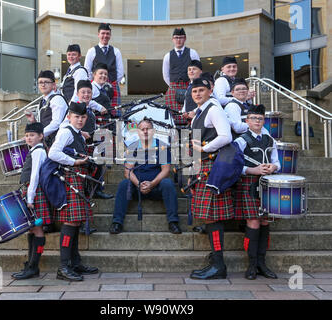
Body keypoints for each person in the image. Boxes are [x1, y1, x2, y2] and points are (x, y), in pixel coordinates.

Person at [187, 77, 233, 280]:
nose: (197, 94)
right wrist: (192, 172)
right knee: (207, 216)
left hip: (213, 167)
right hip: (203, 168)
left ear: (210, 89)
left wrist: (205, 148)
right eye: (194, 91)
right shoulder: (199, 112)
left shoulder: (213, 109)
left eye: (201, 90)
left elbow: (226, 136)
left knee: (212, 217)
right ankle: (215, 261)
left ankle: (219, 265)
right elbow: (195, 146)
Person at [49, 101, 99, 281]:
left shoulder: (77, 133)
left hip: (78, 178)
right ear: (69, 117)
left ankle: (75, 262)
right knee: (70, 223)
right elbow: (53, 154)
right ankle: (63, 267)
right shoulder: (65, 132)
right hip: (70, 179)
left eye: (83, 117)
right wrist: (75, 162)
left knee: (76, 222)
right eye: (76, 117)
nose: (80, 119)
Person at [108, 119, 181, 235]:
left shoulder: (161, 146)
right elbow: (128, 172)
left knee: (168, 183)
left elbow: (166, 171)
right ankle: (117, 222)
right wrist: (138, 184)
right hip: (137, 188)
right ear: (138, 132)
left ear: (153, 131)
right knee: (124, 184)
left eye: (148, 129)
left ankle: (173, 222)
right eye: (142, 129)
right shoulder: (133, 147)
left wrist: (152, 184)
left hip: (156, 187)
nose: (145, 132)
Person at [234, 104, 280, 280]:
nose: (257, 121)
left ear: (264, 121)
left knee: (265, 222)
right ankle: (251, 265)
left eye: (260, 119)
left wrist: (273, 167)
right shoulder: (240, 140)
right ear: (247, 121)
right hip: (249, 184)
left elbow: (277, 162)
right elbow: (235, 166)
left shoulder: (271, 140)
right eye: (253, 118)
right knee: (253, 222)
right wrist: (252, 170)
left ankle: (262, 263)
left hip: (268, 185)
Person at [11, 122, 50, 280]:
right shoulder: (34, 150)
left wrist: (30, 198)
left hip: (34, 193)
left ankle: (34, 267)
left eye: (32, 135)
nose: (28, 138)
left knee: (37, 229)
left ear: (41, 136)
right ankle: (30, 264)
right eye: (27, 135)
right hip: (30, 192)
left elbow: (35, 176)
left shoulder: (38, 152)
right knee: (31, 228)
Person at [162, 27, 200, 125]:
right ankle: (175, 138)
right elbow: (165, 75)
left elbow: (198, 70)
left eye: (181, 37)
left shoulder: (192, 53)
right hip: (174, 88)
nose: (178, 40)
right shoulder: (168, 56)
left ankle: (192, 138)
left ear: (185, 38)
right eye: (176, 37)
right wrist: (174, 85)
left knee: (191, 115)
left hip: (190, 87)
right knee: (174, 117)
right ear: (173, 39)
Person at [84, 23, 124, 107]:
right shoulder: (91, 51)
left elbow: (120, 72)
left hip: (112, 86)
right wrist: (95, 84)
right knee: (96, 112)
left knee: (114, 113)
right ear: (98, 34)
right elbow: (87, 71)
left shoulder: (116, 51)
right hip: (95, 87)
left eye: (107, 33)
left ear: (110, 35)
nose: (105, 36)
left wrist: (112, 83)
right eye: (103, 33)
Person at [26, 70, 68, 148]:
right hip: (49, 143)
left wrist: (38, 135)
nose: (43, 85)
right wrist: (34, 121)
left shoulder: (57, 99)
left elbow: (56, 124)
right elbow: (43, 124)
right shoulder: (42, 102)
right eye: (40, 82)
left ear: (53, 85)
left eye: (46, 82)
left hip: (60, 143)